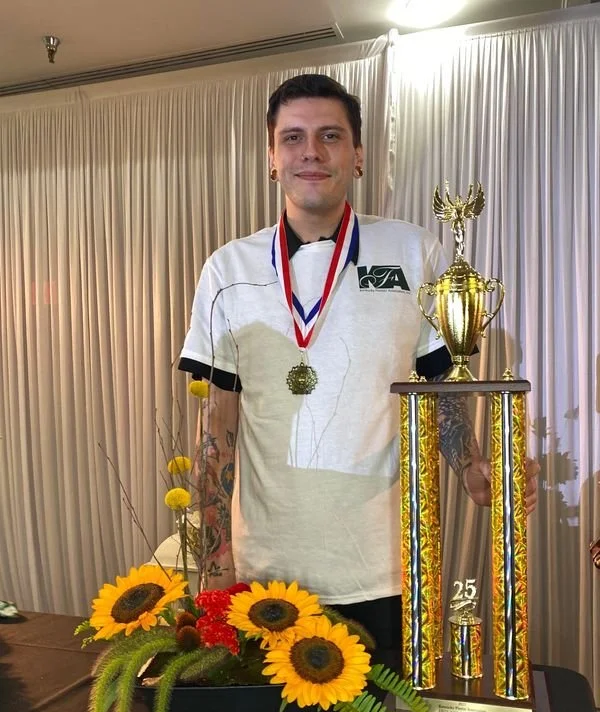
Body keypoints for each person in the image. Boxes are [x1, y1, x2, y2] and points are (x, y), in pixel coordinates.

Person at [179, 74, 539, 648]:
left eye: (330, 135)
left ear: (359, 154)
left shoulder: (413, 251)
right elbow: (217, 424)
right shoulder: (228, 269)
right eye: (293, 138)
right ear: (272, 157)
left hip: (387, 567)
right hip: (266, 570)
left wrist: (473, 467)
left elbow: (437, 390)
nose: (311, 153)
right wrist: (215, 553)